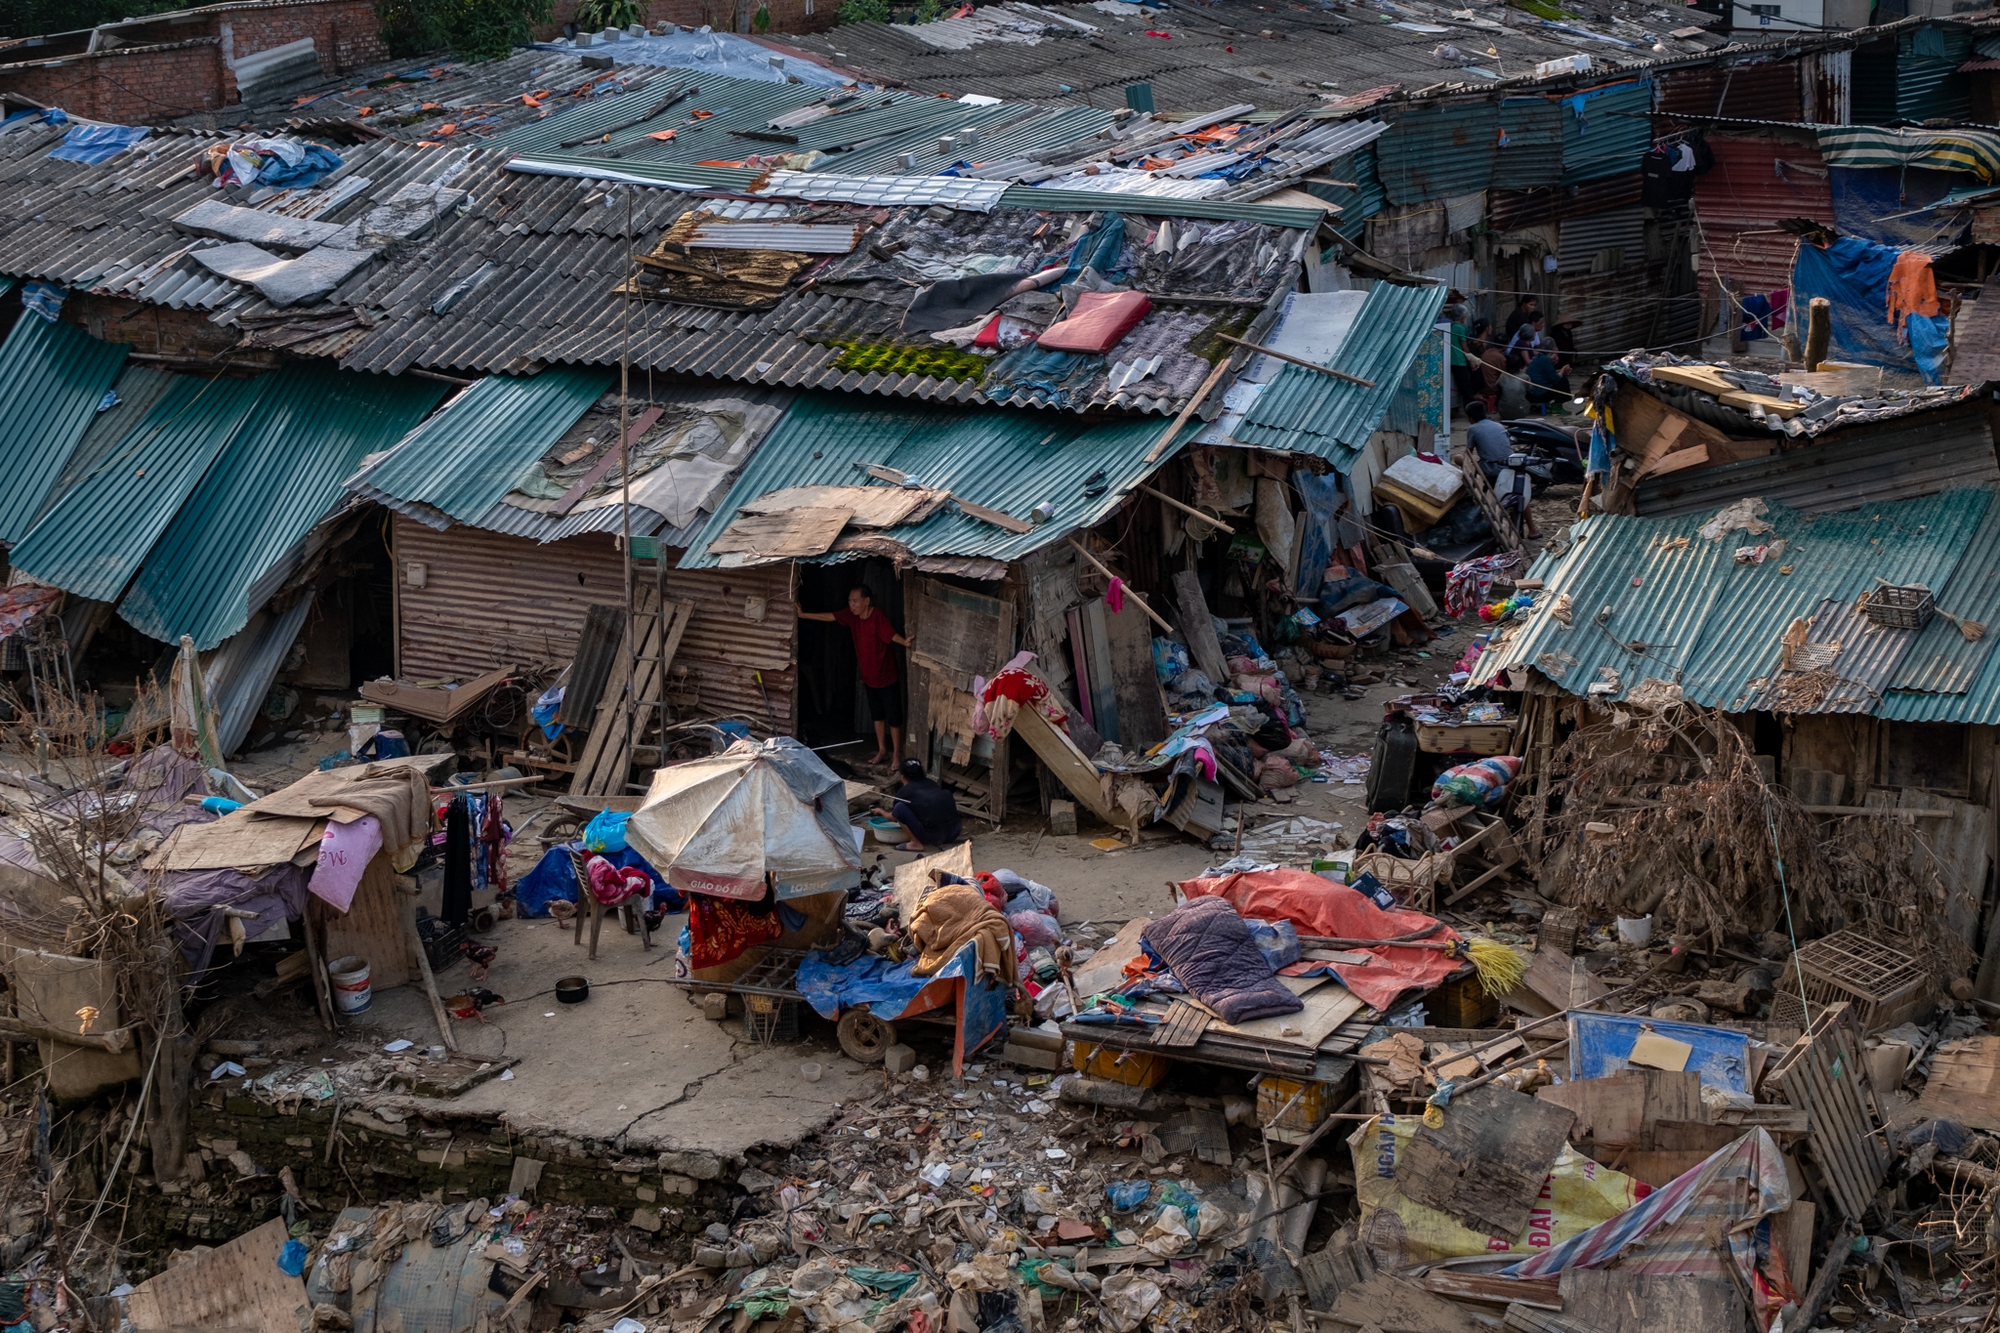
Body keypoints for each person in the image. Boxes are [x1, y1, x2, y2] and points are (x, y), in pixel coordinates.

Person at [799, 586, 909, 766]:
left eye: (855, 601)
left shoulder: (877, 616)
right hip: (869, 678)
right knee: (877, 716)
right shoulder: (852, 617)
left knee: (894, 718)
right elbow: (830, 616)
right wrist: (803, 615)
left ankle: (897, 754)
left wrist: (904, 642)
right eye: (850, 601)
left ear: (866, 601)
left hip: (887, 677)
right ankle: (883, 751)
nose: (851, 604)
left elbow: (890, 634)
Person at [874, 758, 963, 852]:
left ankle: (915, 843)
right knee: (944, 795)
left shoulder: (904, 792)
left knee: (899, 808)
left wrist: (881, 811)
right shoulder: (931, 783)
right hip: (955, 831)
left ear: (903, 776)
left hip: (934, 837)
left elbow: (893, 817)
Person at [1465, 401, 1512, 473]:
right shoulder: (1499, 425)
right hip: (1509, 465)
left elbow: (1469, 453)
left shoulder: (1473, 428)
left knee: (1458, 458)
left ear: (1470, 418)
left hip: (1491, 468)